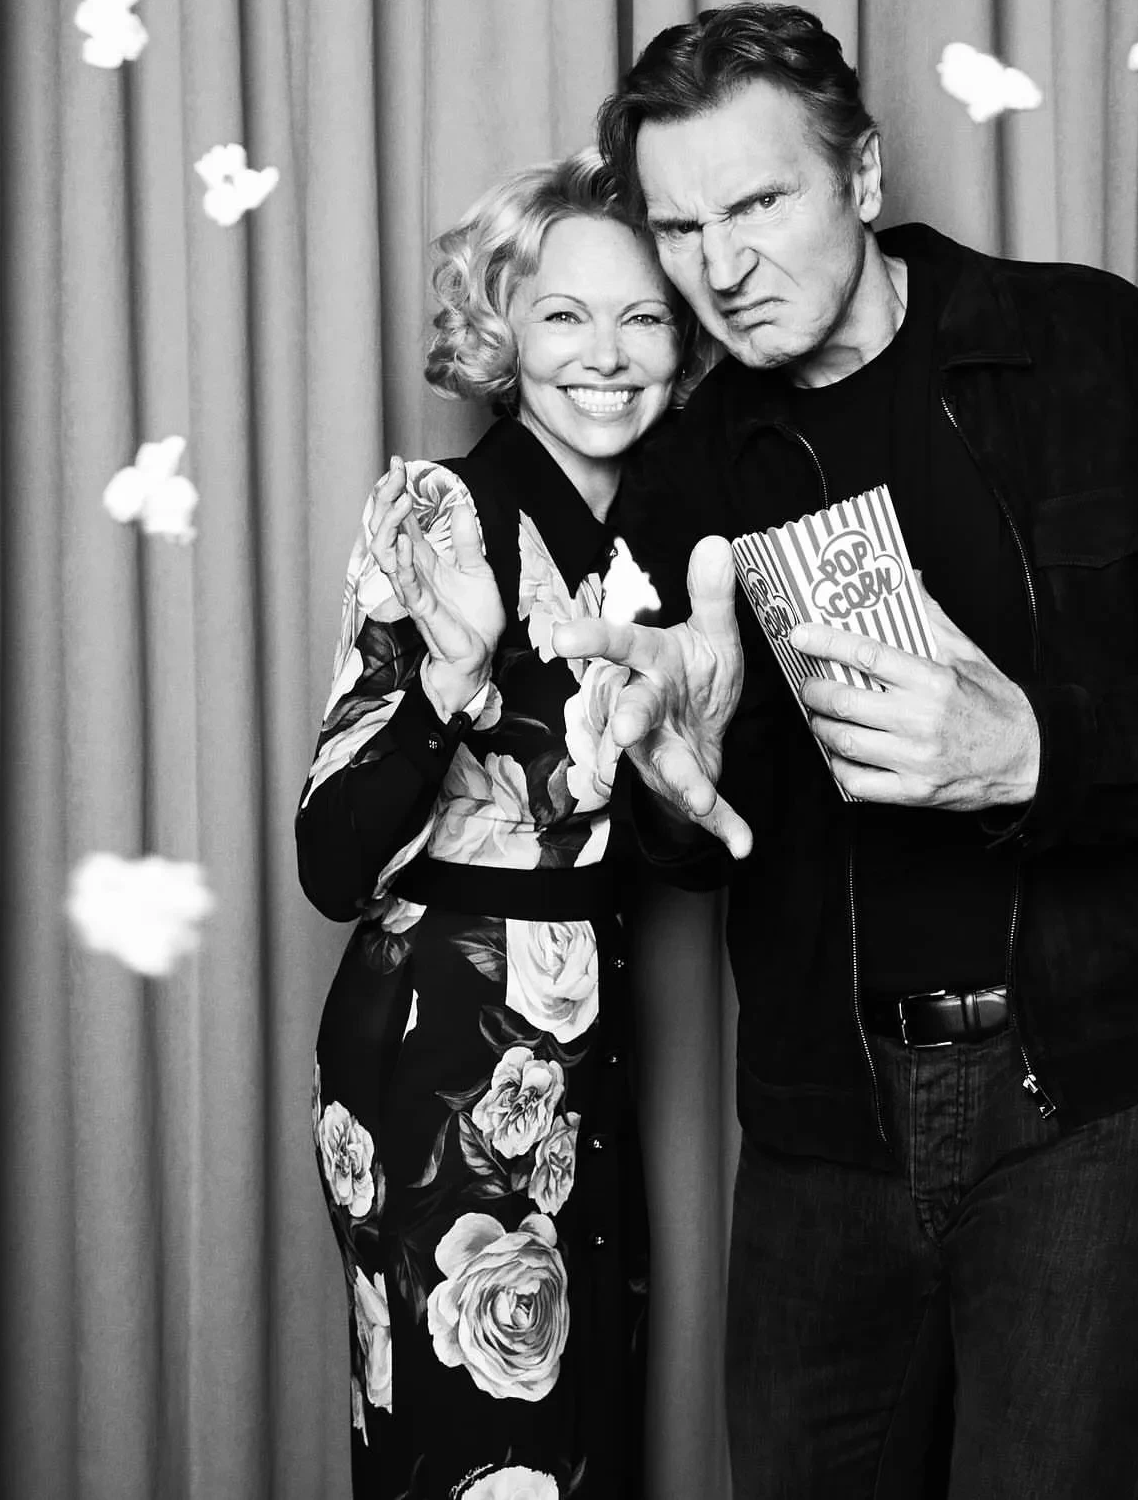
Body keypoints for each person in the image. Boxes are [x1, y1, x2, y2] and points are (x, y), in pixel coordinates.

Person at [549, 2, 1138, 1498]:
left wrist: (1039, 750)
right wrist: (671, 776)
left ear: (865, 173)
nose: (722, 266)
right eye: (682, 226)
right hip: (823, 1123)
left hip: (1093, 1095)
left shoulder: (1099, 350)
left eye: (759, 203)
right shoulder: (691, 470)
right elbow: (680, 844)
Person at [296, 148, 694, 1500]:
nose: (608, 353)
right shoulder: (442, 513)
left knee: (581, 1444)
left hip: (589, 1032)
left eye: (643, 316)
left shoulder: (673, 530)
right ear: (502, 327)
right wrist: (448, 684)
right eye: (565, 313)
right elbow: (329, 859)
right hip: (440, 1040)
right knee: (474, 1453)